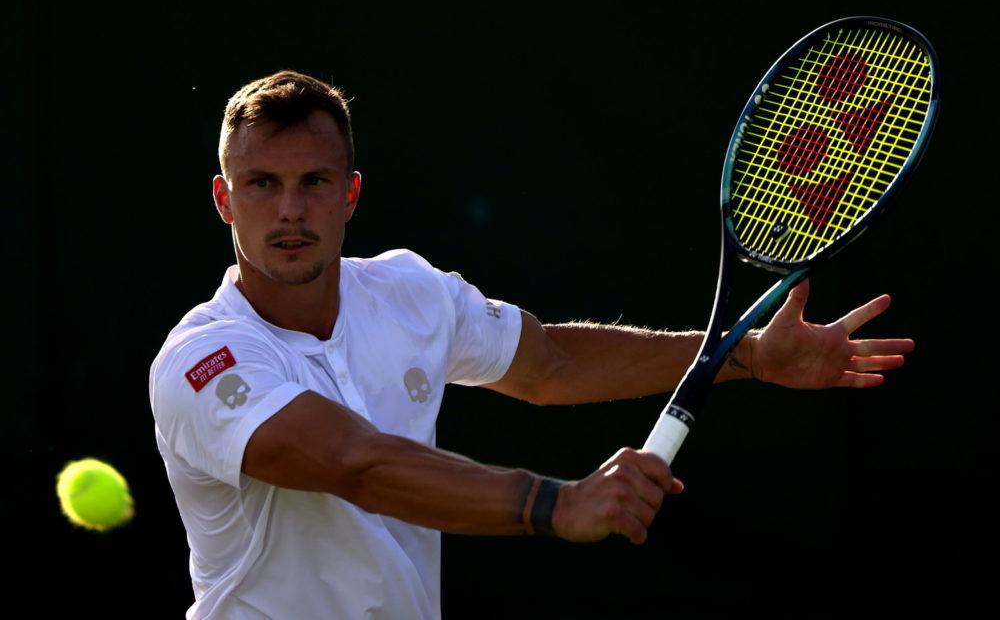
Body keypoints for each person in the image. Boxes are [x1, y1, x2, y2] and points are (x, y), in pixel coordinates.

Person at [149, 70, 914, 620]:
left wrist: (743, 354)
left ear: (350, 194)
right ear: (223, 198)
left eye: (315, 181)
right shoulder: (203, 360)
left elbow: (549, 362)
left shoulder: (409, 291)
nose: (290, 210)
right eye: (261, 184)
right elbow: (358, 463)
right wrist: (558, 502)